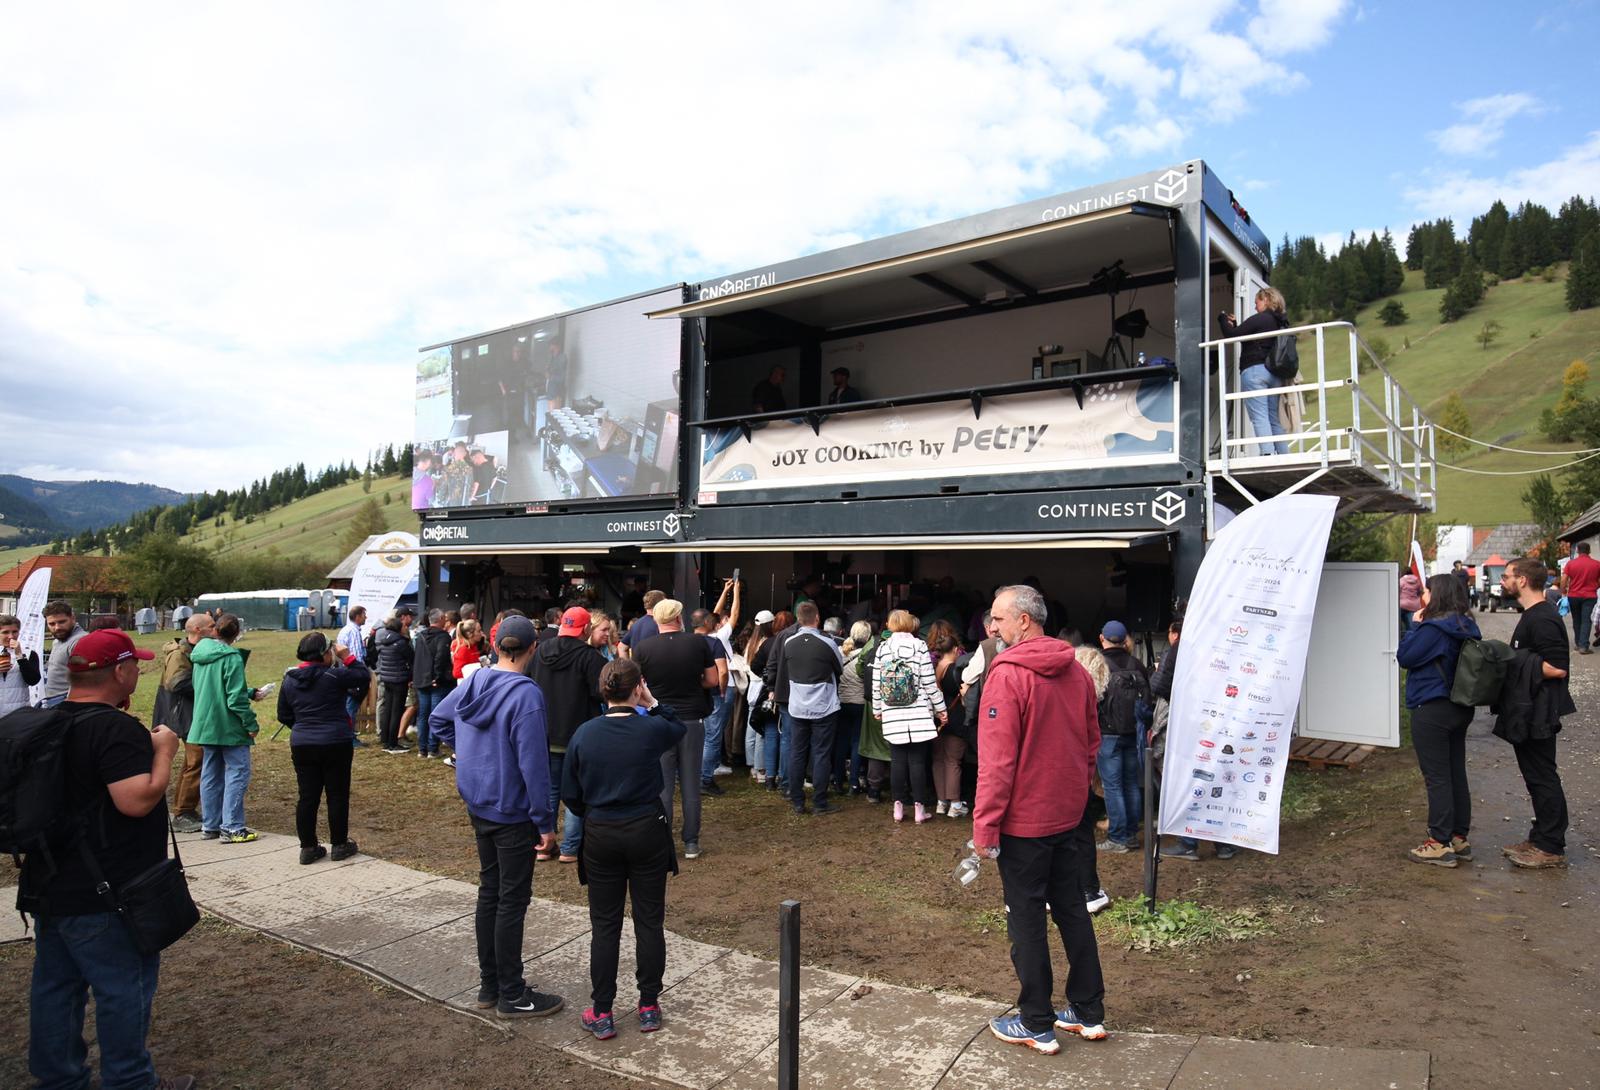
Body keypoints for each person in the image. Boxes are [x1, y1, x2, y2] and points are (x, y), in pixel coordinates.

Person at [17, 628, 197, 1090]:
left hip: (51, 881)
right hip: (109, 891)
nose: (139, 669)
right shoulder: (114, 730)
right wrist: (164, 751)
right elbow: (136, 800)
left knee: (56, 987)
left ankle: (58, 1078)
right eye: (134, 663)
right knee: (123, 989)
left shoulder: (47, 719)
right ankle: (130, 1081)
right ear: (119, 671)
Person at [976, 584, 1106, 1055]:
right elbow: (1091, 744)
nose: (992, 627)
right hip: (1067, 818)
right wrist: (1074, 796)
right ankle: (1089, 1011)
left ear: (1024, 620)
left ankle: (1036, 1021)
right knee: (1072, 910)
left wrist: (984, 828)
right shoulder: (1075, 672)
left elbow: (996, 762)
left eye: (998, 618)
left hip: (1025, 825)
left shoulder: (1007, 676)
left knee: (1026, 919)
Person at [429, 615, 565, 1018]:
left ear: (496, 647)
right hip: (512, 811)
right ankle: (511, 992)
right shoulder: (526, 695)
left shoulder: (474, 680)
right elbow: (534, 763)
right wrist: (545, 822)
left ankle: (490, 985)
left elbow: (439, 720)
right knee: (511, 900)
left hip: (480, 803)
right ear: (533, 649)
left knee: (491, 892)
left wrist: (468, 754)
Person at [561, 658, 685, 1040]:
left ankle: (602, 1009)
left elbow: (570, 794)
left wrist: (594, 811)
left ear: (603, 690)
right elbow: (677, 726)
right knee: (649, 920)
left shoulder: (584, 733)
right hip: (646, 828)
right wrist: (651, 701)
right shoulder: (650, 728)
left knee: (605, 925)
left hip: (601, 831)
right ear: (636, 688)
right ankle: (648, 1004)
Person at [1395, 575, 1481, 867]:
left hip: (1431, 706)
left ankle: (1438, 843)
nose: (1423, 595)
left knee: (1437, 776)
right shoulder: (1466, 624)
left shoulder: (1432, 629)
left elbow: (1405, 656)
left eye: (1426, 590)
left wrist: (1415, 625)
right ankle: (1458, 837)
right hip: (1459, 706)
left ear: (1437, 594)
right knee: (1455, 771)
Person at [1497, 558, 1574, 869]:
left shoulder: (1543, 618)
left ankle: (1551, 846)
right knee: (1534, 776)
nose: (1502, 581)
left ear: (1523, 580)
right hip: (1526, 707)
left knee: (1543, 777)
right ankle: (1540, 836)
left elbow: (1557, 668)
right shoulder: (1532, 614)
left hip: (1539, 709)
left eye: (1507, 576)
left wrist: (1511, 661)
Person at [632, 599, 718, 859]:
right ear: (679, 618)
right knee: (691, 782)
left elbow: (637, 687)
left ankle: (663, 840)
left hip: (658, 719)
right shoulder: (697, 643)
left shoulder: (643, 648)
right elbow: (712, 679)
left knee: (663, 784)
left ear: (656, 620)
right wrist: (693, 684)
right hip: (692, 719)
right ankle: (691, 841)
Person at [277, 631, 369, 864]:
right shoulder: (334, 676)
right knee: (337, 795)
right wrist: (347, 656)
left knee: (307, 797)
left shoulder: (290, 679)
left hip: (303, 743)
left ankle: (308, 847)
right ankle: (339, 844)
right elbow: (362, 676)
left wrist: (303, 727)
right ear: (324, 654)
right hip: (335, 741)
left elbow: (283, 714)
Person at [531, 605, 606, 865]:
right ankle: (570, 848)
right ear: (585, 629)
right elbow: (601, 692)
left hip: (546, 733)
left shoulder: (539, 652)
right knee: (578, 791)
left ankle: (544, 844)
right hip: (580, 735)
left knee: (550, 790)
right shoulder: (591, 658)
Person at [188, 613, 262, 843]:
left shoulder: (199, 654)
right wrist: (251, 723)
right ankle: (232, 826)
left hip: (205, 724)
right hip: (228, 726)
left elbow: (213, 686)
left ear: (215, 631)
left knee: (211, 773)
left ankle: (211, 825)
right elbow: (234, 699)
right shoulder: (231, 657)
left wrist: (249, 692)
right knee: (237, 773)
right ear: (237, 633)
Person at [772, 601, 845, 816]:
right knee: (821, 753)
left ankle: (797, 800)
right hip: (824, 704)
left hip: (797, 705)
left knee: (797, 752)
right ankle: (820, 802)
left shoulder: (789, 642)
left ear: (798, 618)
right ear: (817, 618)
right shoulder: (827, 642)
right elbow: (839, 668)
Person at [872, 609, 945, 824]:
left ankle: (898, 808)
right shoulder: (920, 646)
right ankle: (920, 810)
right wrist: (941, 709)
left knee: (897, 761)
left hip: (892, 711)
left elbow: (877, 684)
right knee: (917, 762)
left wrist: (877, 709)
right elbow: (930, 684)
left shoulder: (883, 648)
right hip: (919, 712)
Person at [152, 612, 215, 833]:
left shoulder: (194, 651)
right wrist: (209, 681)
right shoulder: (179, 654)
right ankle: (183, 813)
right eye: (211, 626)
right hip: (182, 714)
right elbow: (177, 683)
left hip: (190, 712)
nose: (215, 630)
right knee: (196, 760)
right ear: (198, 630)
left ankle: (184, 809)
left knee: (193, 761)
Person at [1093, 621, 1149, 853]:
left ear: (1102, 638)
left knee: (1113, 786)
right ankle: (1131, 835)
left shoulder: (1100, 664)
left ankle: (1117, 838)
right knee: (1131, 784)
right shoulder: (1136, 663)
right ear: (1124, 639)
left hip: (1108, 734)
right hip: (1134, 733)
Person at [1218, 286, 1291, 456]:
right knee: (1273, 417)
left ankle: (1266, 454)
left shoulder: (1261, 319)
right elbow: (1248, 338)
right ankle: (1283, 454)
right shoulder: (1280, 322)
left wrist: (1222, 318)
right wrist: (1237, 325)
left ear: (1265, 300)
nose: (1255, 306)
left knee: (1259, 416)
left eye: (1256, 302)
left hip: (1255, 372)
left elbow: (1231, 335)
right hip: (1274, 374)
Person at [701, 578, 742, 792]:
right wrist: (735, 592)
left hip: (706, 687)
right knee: (715, 732)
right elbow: (734, 615)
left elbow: (713, 615)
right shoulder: (720, 637)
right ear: (718, 624)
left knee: (708, 730)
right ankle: (709, 771)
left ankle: (709, 766)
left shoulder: (701, 638)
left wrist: (724, 591)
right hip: (724, 686)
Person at [928, 620, 970, 818]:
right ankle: (955, 804)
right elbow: (963, 695)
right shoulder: (955, 671)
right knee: (953, 761)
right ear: (955, 649)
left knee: (938, 760)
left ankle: (940, 802)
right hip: (954, 719)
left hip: (936, 719)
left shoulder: (933, 668)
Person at [690, 606, 730, 797]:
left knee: (694, 737)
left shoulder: (685, 642)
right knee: (712, 738)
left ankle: (691, 775)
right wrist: (722, 690)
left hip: (690, 694)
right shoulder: (714, 643)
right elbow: (722, 671)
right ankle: (705, 779)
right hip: (712, 693)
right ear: (707, 623)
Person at [412, 608, 456, 759]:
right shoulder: (443, 637)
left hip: (421, 680)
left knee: (423, 715)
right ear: (442, 619)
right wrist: (437, 677)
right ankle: (432, 748)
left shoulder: (419, 636)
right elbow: (441, 658)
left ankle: (422, 749)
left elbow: (416, 659)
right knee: (435, 715)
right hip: (437, 682)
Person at [835, 621, 871, 795]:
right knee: (857, 742)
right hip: (859, 703)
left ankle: (837, 781)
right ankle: (854, 783)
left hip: (841, 702)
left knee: (841, 742)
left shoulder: (841, 653)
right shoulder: (867, 655)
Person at [372, 610, 414, 753]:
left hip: (386, 678)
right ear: (399, 628)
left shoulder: (384, 641)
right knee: (396, 711)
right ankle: (393, 743)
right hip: (399, 679)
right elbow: (411, 658)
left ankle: (385, 740)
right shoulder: (401, 643)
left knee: (387, 710)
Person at [39, 600, 89, 708]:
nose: (57, 627)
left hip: (67, 703)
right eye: (52, 624)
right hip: (52, 701)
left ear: (73, 618)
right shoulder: (58, 640)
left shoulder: (80, 641)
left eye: (62, 622)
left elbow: (85, 680)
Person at [0, 611, 43, 718]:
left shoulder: (29, 654)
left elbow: (33, 680)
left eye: (15, 632)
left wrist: (19, 655)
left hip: (18, 712)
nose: (11, 636)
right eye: (5, 632)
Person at [1560, 541, 1600, 654]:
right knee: (1586, 620)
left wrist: (1563, 592)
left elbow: (1563, 579)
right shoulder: (1597, 564)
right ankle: (1583, 646)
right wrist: (1596, 585)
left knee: (1576, 619)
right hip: (1590, 596)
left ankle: (1578, 643)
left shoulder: (1571, 564)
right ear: (1589, 551)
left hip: (1573, 595)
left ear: (1577, 550)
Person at [619, 590, 666, 658]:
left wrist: (629, 667)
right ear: (660, 604)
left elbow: (621, 647)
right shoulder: (659, 624)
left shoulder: (635, 624)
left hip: (637, 667)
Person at [1398, 570, 1424, 641]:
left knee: (1398, 623)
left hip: (1402, 605)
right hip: (1413, 606)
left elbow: (1397, 591)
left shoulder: (1401, 580)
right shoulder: (1417, 580)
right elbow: (1420, 591)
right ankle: (1411, 641)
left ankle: (1401, 638)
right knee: (1411, 626)